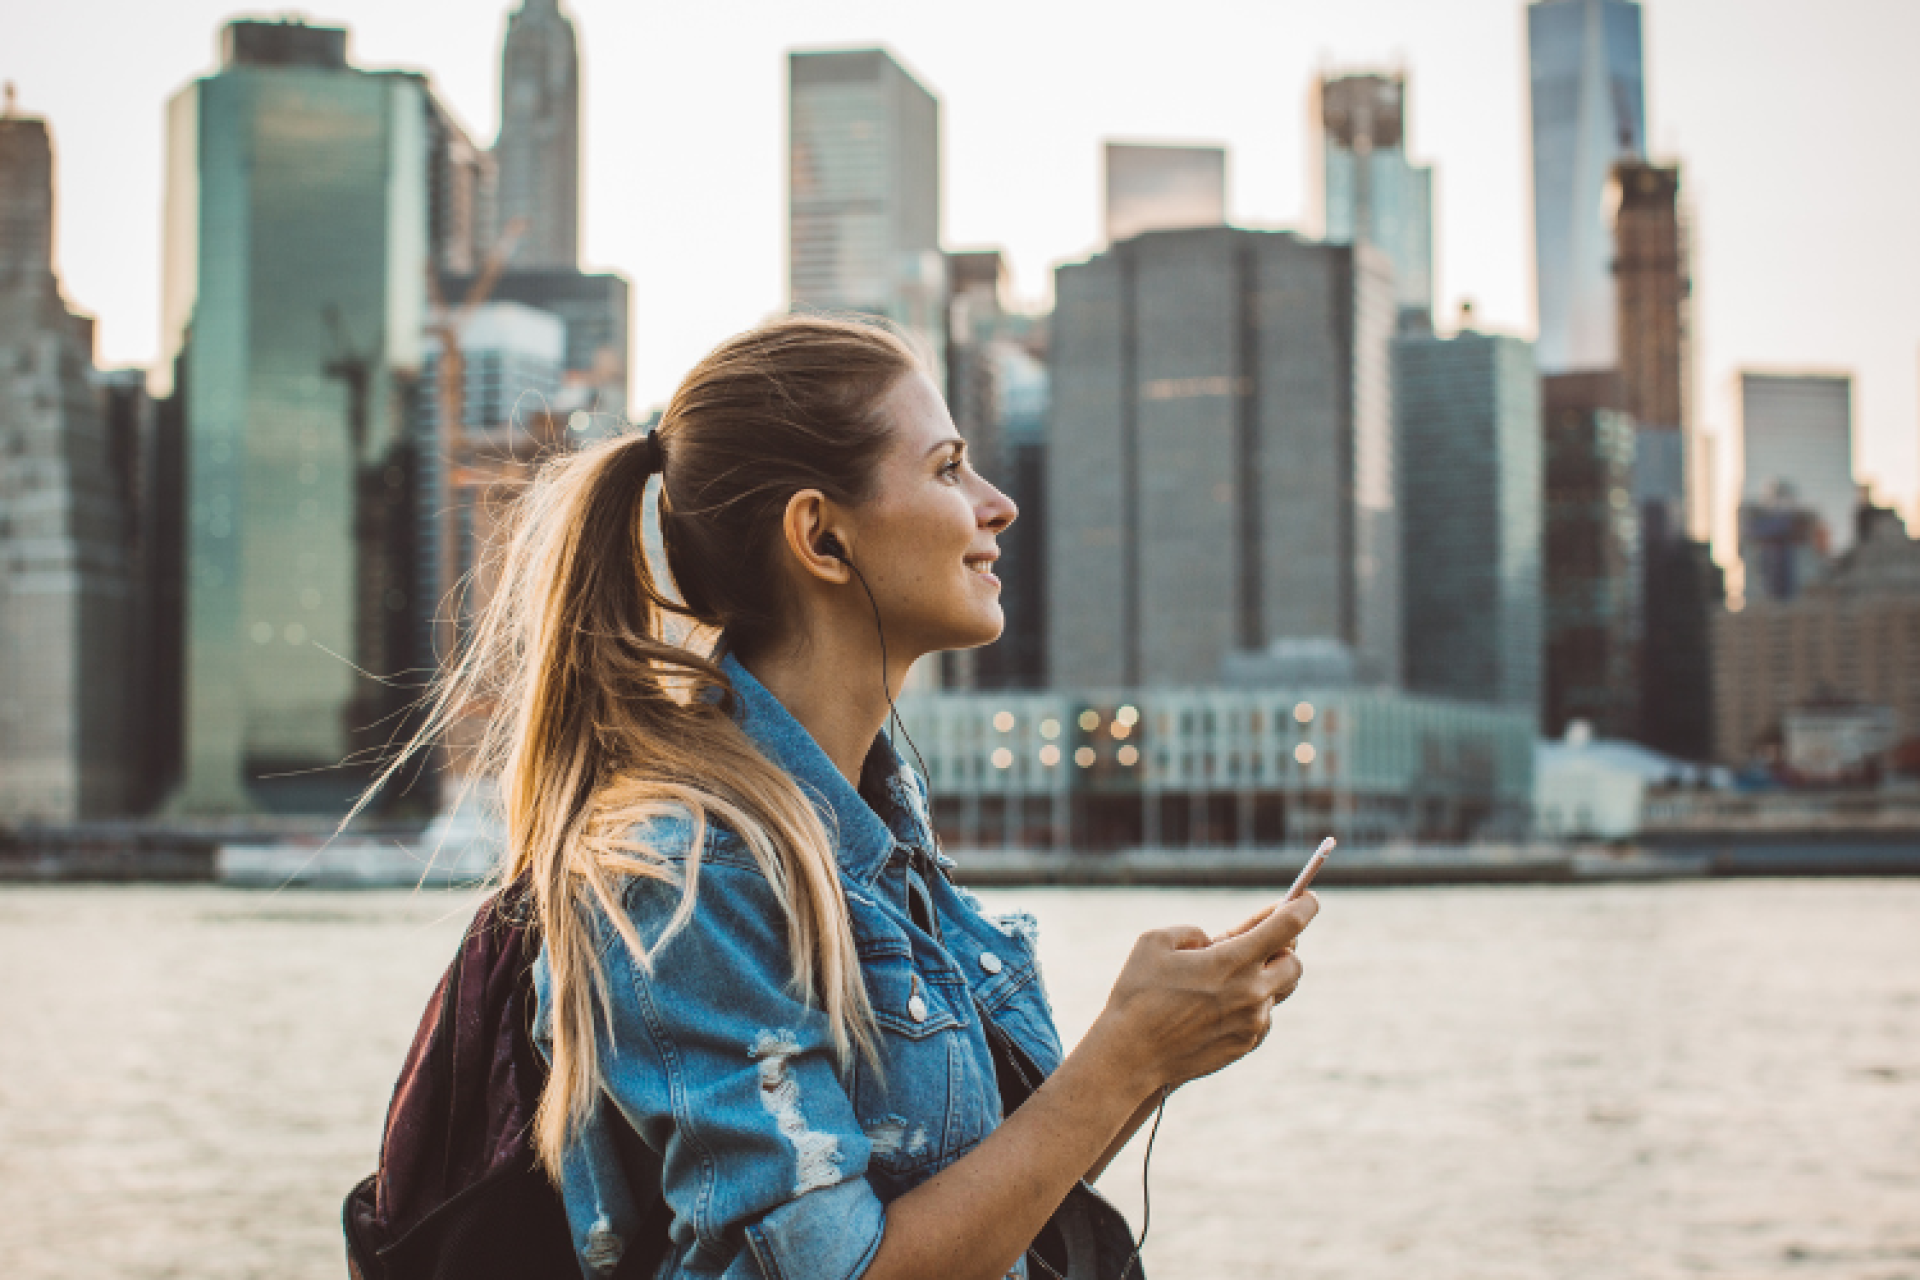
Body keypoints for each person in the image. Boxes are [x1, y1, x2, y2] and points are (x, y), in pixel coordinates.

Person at [386, 315, 1317, 1279]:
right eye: (949, 468)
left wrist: (1156, 1052)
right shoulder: (688, 871)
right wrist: (1121, 1058)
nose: (997, 506)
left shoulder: (873, 828)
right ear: (822, 536)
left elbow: (961, 1198)